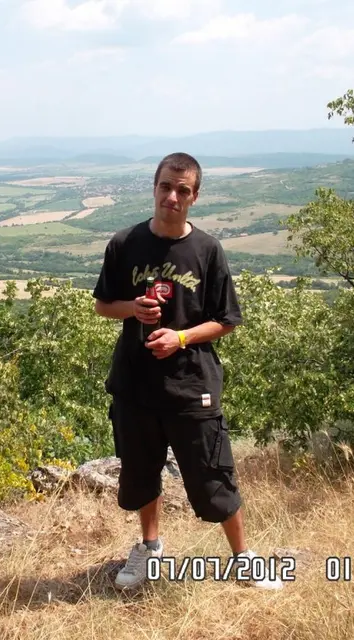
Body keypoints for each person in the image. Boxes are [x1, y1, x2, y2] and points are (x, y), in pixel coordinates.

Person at [92, 152, 283, 591]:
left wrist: (180, 338)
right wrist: (133, 308)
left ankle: (243, 559)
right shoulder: (124, 243)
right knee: (141, 473)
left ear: (194, 196)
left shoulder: (207, 250)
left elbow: (227, 320)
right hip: (135, 384)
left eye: (183, 190)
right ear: (154, 188)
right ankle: (150, 549)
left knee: (213, 474)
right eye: (166, 187)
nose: (172, 197)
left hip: (192, 384)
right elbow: (104, 305)